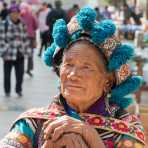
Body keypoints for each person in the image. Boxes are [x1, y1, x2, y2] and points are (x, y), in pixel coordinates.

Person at [0, 7, 146, 147]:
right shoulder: (33, 123)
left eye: (87, 67)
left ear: (107, 82)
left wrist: (91, 136)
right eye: (69, 65)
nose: (73, 75)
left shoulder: (127, 128)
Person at [0, 4, 31, 97]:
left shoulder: (23, 23)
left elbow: (25, 38)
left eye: (17, 13)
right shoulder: (4, 24)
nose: (15, 15)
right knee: (7, 75)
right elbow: (1, 39)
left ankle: (18, 90)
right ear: (9, 14)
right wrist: (4, 50)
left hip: (20, 53)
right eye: (13, 13)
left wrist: (27, 51)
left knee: (20, 74)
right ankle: (7, 91)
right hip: (8, 54)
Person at [20, 2, 38, 77]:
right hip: (31, 36)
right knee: (30, 53)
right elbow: (36, 26)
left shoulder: (19, 15)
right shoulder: (31, 15)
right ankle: (29, 69)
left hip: (21, 37)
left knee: (21, 53)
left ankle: (21, 68)